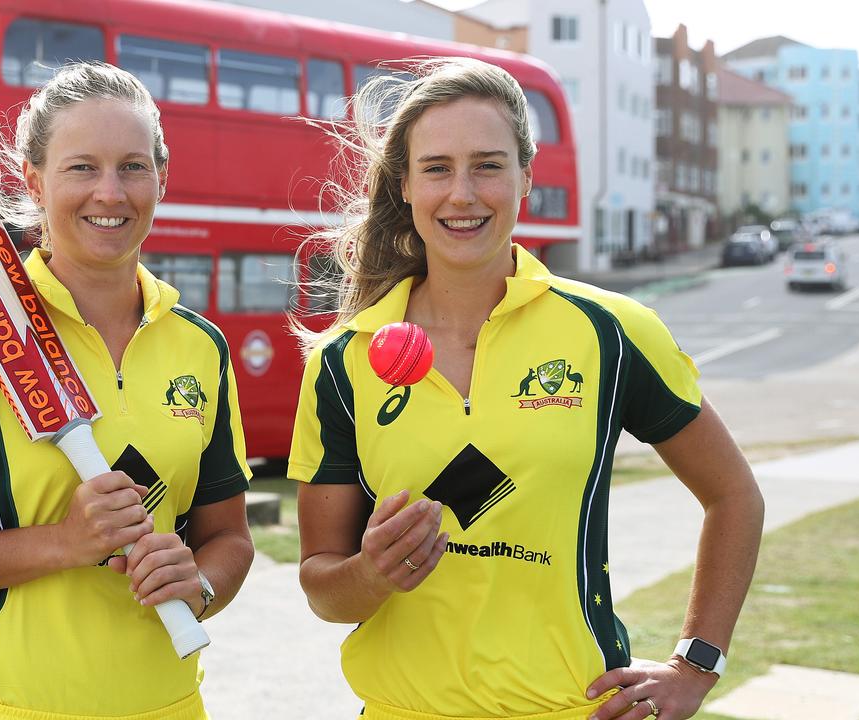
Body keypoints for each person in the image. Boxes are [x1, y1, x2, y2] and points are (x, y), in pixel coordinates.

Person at [289, 57, 764, 720]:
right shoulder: (343, 361)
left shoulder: (611, 331)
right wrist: (370, 575)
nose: (463, 193)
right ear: (406, 185)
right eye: (437, 168)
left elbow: (733, 494)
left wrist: (694, 665)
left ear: (526, 178)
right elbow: (321, 587)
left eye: (488, 164)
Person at [0, 62, 254, 720]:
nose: (110, 192)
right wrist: (62, 544)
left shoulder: (198, 347)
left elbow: (229, 538)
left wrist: (201, 583)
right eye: (81, 168)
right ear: (35, 181)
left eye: (131, 167)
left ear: (161, 176)